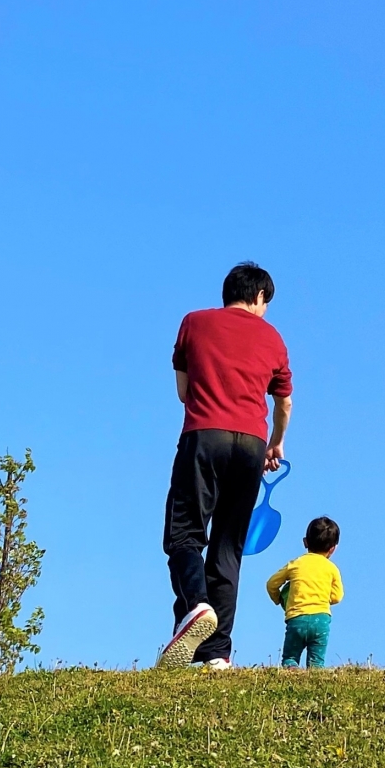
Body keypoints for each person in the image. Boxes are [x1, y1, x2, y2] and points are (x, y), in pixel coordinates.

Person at [156, 262, 293, 671]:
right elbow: (283, 402)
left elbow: (183, 392)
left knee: (183, 535)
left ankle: (195, 607)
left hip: (203, 435)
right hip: (251, 445)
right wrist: (275, 442)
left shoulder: (193, 323)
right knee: (228, 548)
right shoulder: (273, 337)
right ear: (259, 297)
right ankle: (218, 654)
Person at [266, 516, 343, 668]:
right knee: (316, 663)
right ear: (333, 549)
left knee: (290, 658)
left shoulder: (296, 563)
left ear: (305, 542)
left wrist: (280, 599)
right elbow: (337, 596)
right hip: (321, 619)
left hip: (296, 620)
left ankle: (291, 673)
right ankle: (314, 683)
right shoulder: (332, 568)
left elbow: (271, 584)